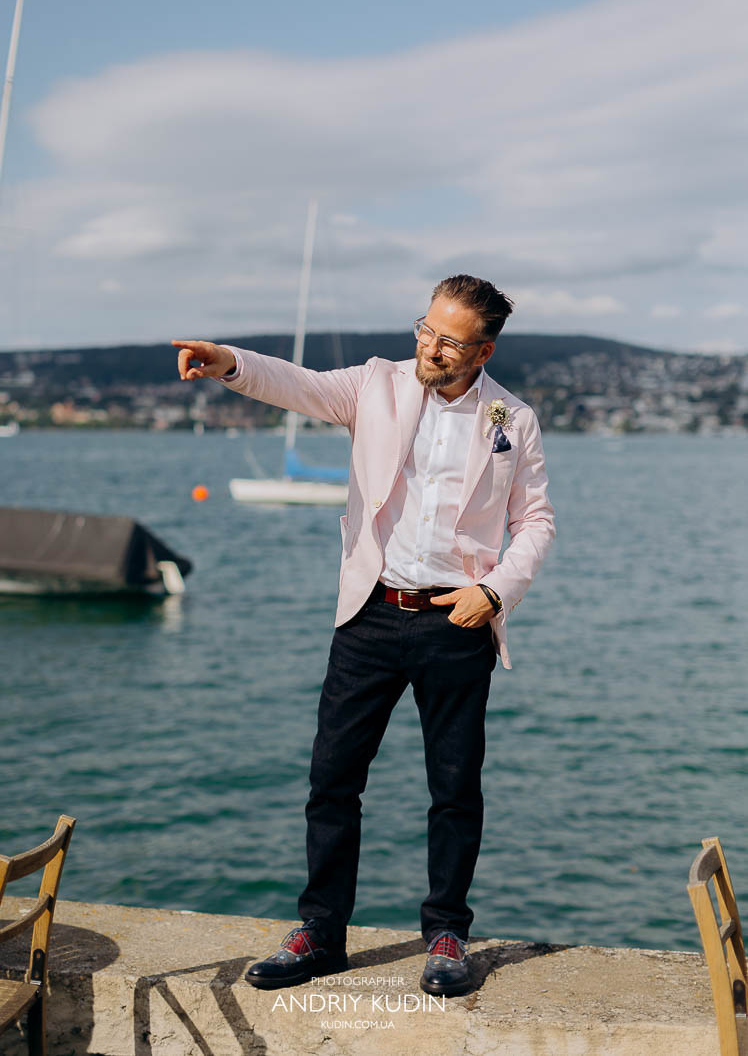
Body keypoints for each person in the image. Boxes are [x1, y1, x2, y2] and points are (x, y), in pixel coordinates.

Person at [172, 274, 555, 997]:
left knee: (454, 789)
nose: (430, 347)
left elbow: (535, 522)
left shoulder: (515, 419)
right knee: (333, 780)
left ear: (483, 350)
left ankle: (446, 935)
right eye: (425, 329)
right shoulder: (376, 384)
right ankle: (321, 934)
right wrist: (227, 361)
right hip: (370, 614)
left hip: (457, 620)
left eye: (449, 340)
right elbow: (298, 384)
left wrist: (494, 591)